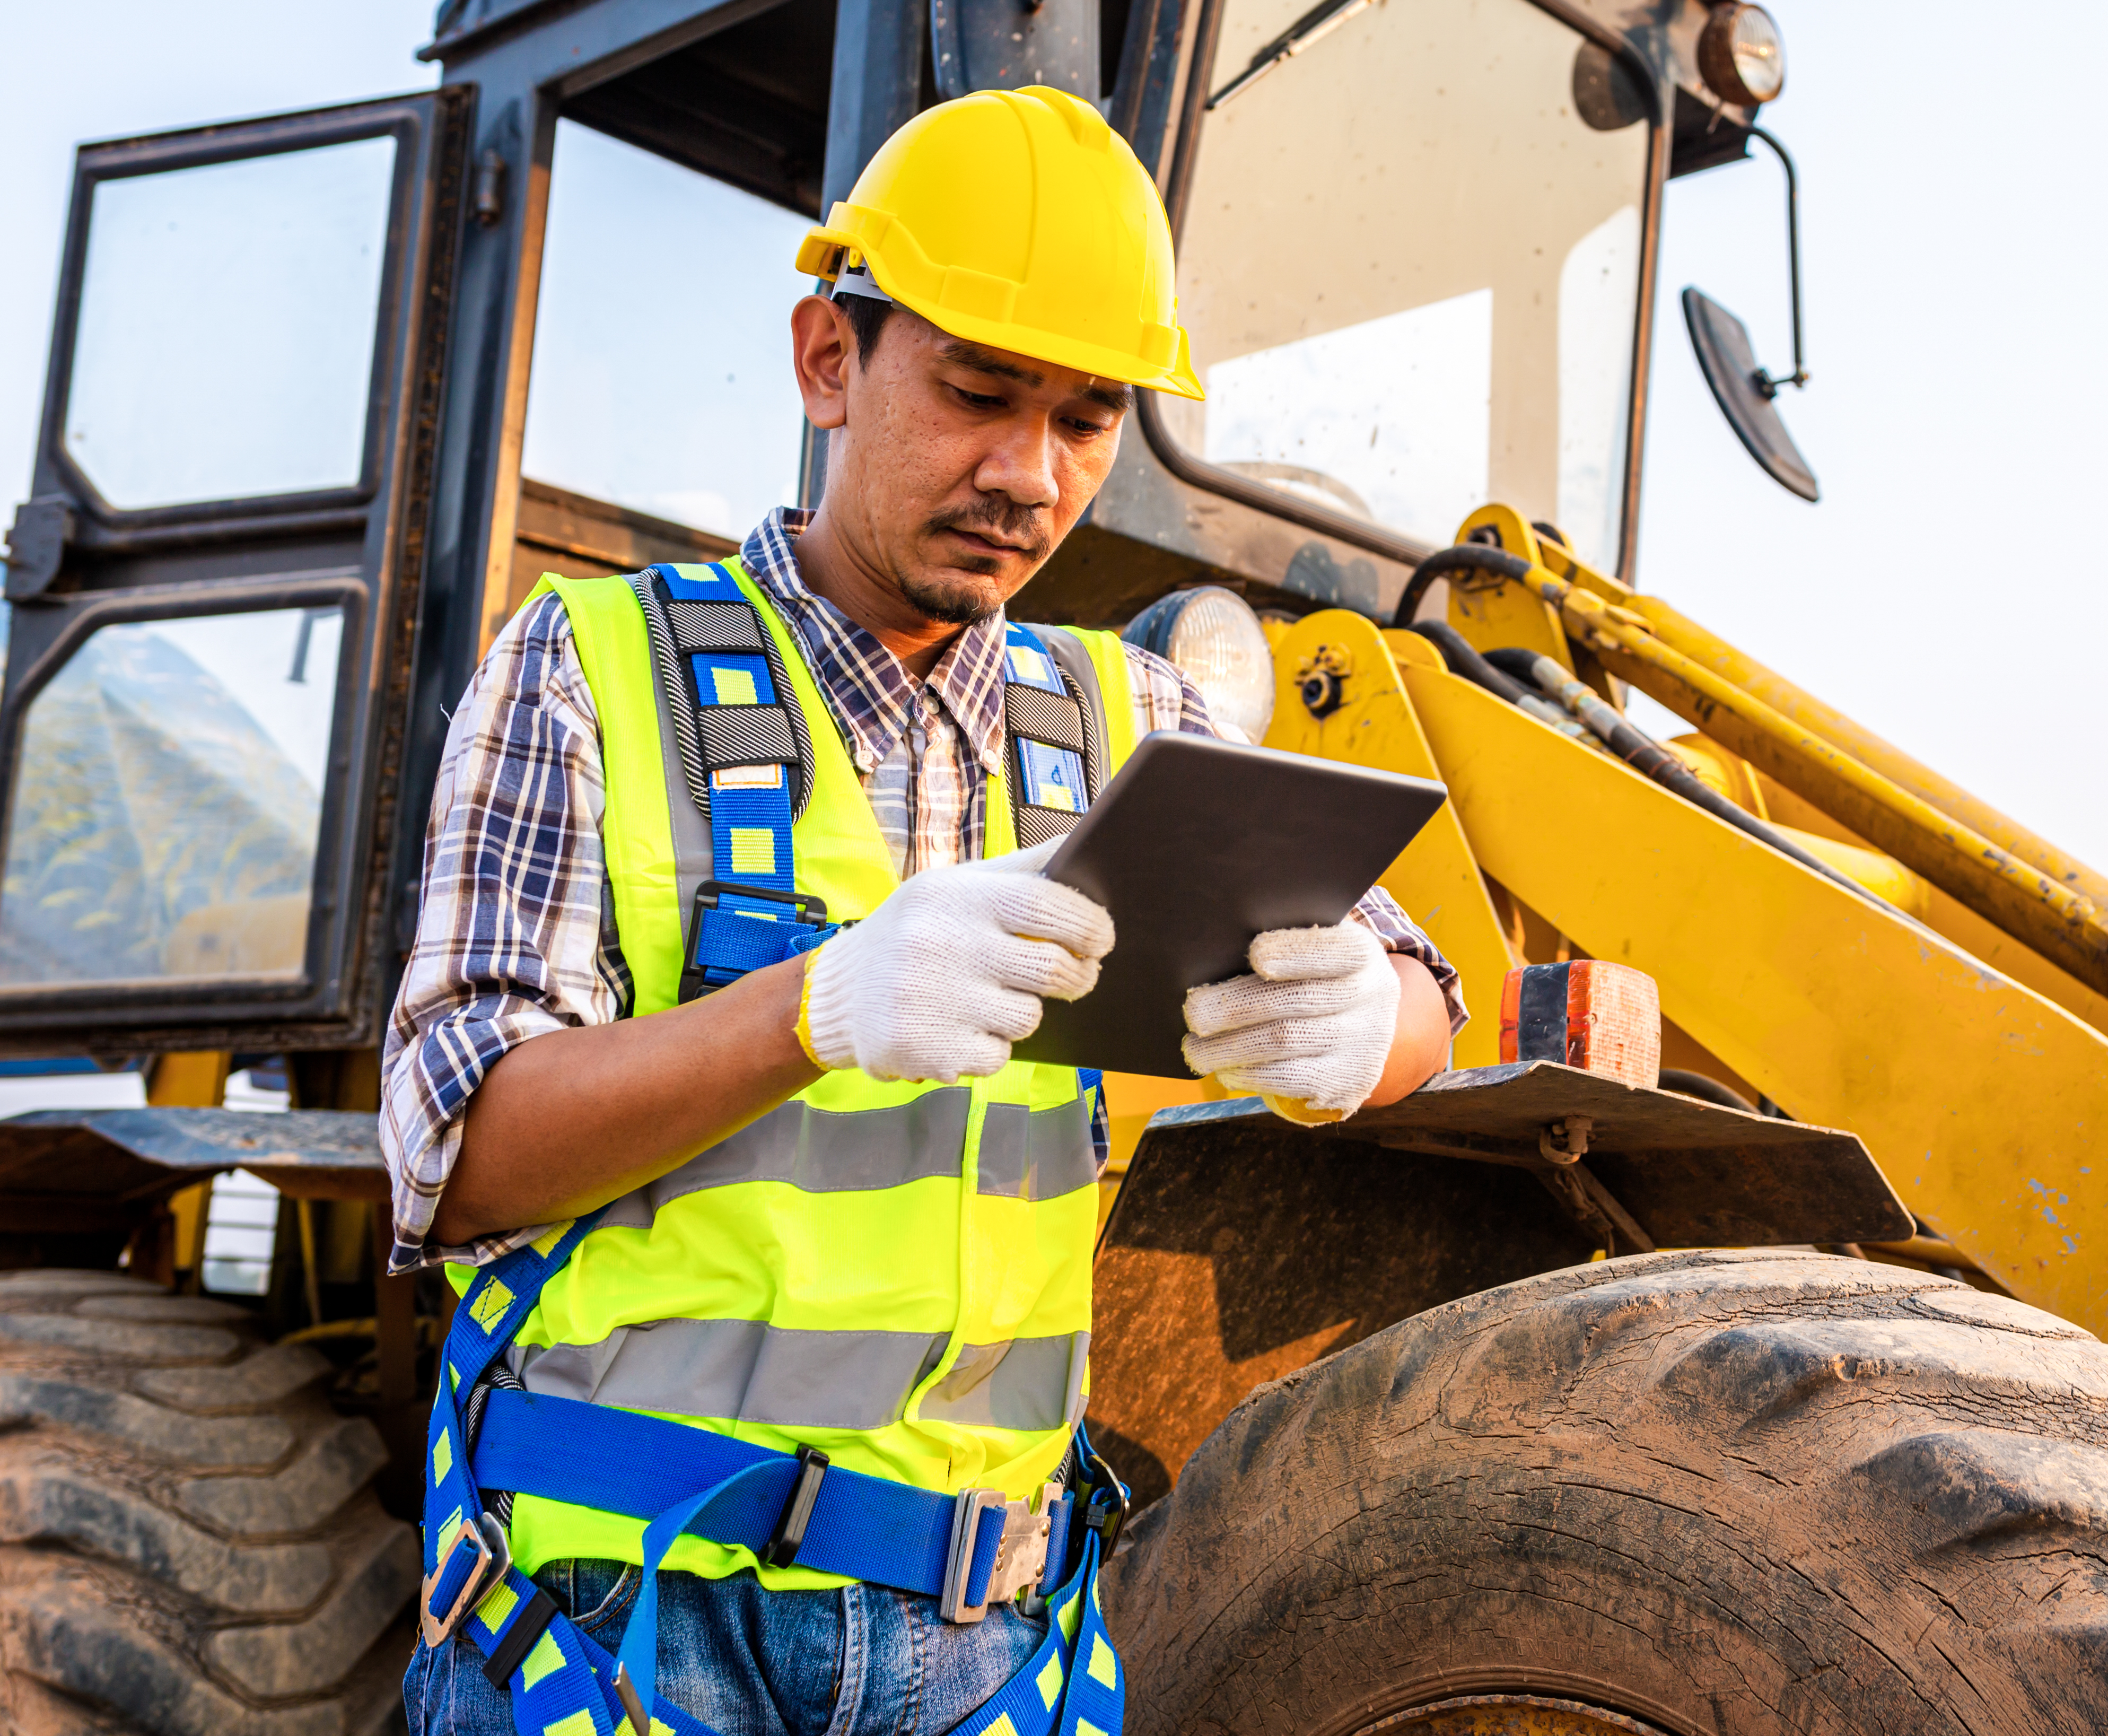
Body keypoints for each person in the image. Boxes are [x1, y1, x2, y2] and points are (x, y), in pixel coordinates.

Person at [382, 86, 1459, 1736]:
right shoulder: (585, 670)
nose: (1030, 475)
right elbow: (452, 1162)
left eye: (1088, 420)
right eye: (977, 392)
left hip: (978, 1645)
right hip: (623, 1623)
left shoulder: (1137, 721)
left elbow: (1425, 995)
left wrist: (1373, 1026)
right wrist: (816, 1009)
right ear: (828, 359)